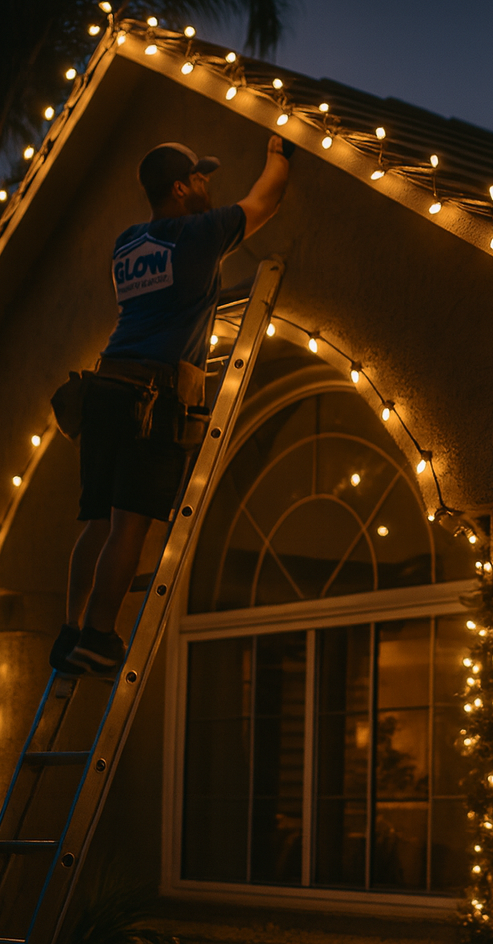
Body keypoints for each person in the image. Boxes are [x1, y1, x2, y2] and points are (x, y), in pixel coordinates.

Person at [52, 136, 292, 676]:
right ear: (180, 187)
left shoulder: (127, 242)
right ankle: (97, 637)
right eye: (201, 177)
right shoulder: (199, 233)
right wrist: (279, 152)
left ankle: (69, 634)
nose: (209, 185)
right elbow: (265, 201)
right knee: (129, 525)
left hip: (105, 387)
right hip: (149, 397)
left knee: (95, 520)